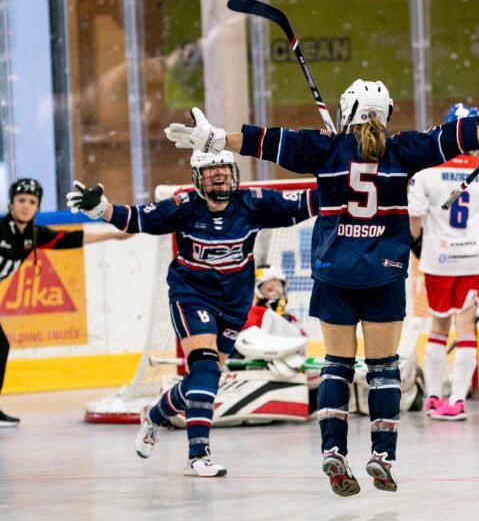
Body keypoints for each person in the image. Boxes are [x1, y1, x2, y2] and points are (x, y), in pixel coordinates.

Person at [164, 84, 479, 496]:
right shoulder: (405, 149)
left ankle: (332, 448)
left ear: (347, 111)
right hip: (385, 273)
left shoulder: (324, 148)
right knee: (382, 369)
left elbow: (267, 141)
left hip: (334, 273)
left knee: (337, 365)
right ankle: (382, 455)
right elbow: (453, 138)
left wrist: (218, 139)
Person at [66, 151, 316, 475]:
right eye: (211, 171)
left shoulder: (253, 202)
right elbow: (137, 218)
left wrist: (348, 177)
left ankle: (154, 415)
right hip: (192, 296)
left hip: (235, 303)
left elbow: (308, 202)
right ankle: (198, 455)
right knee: (206, 369)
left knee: (202, 379)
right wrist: (101, 208)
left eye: (224, 169)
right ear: (198, 178)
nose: (219, 176)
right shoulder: (182, 206)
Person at [0, 177, 120, 427]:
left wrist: (115, 235)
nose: (25, 205)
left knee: (1, 347)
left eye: (32, 201)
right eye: (21, 200)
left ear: (37, 207)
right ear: (11, 204)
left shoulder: (33, 235)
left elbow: (71, 238)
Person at [408, 102, 479, 421]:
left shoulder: (425, 170)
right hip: (472, 259)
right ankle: (457, 400)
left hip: (438, 259)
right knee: (466, 326)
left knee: (438, 325)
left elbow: (415, 219)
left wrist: (419, 245)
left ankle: (433, 397)